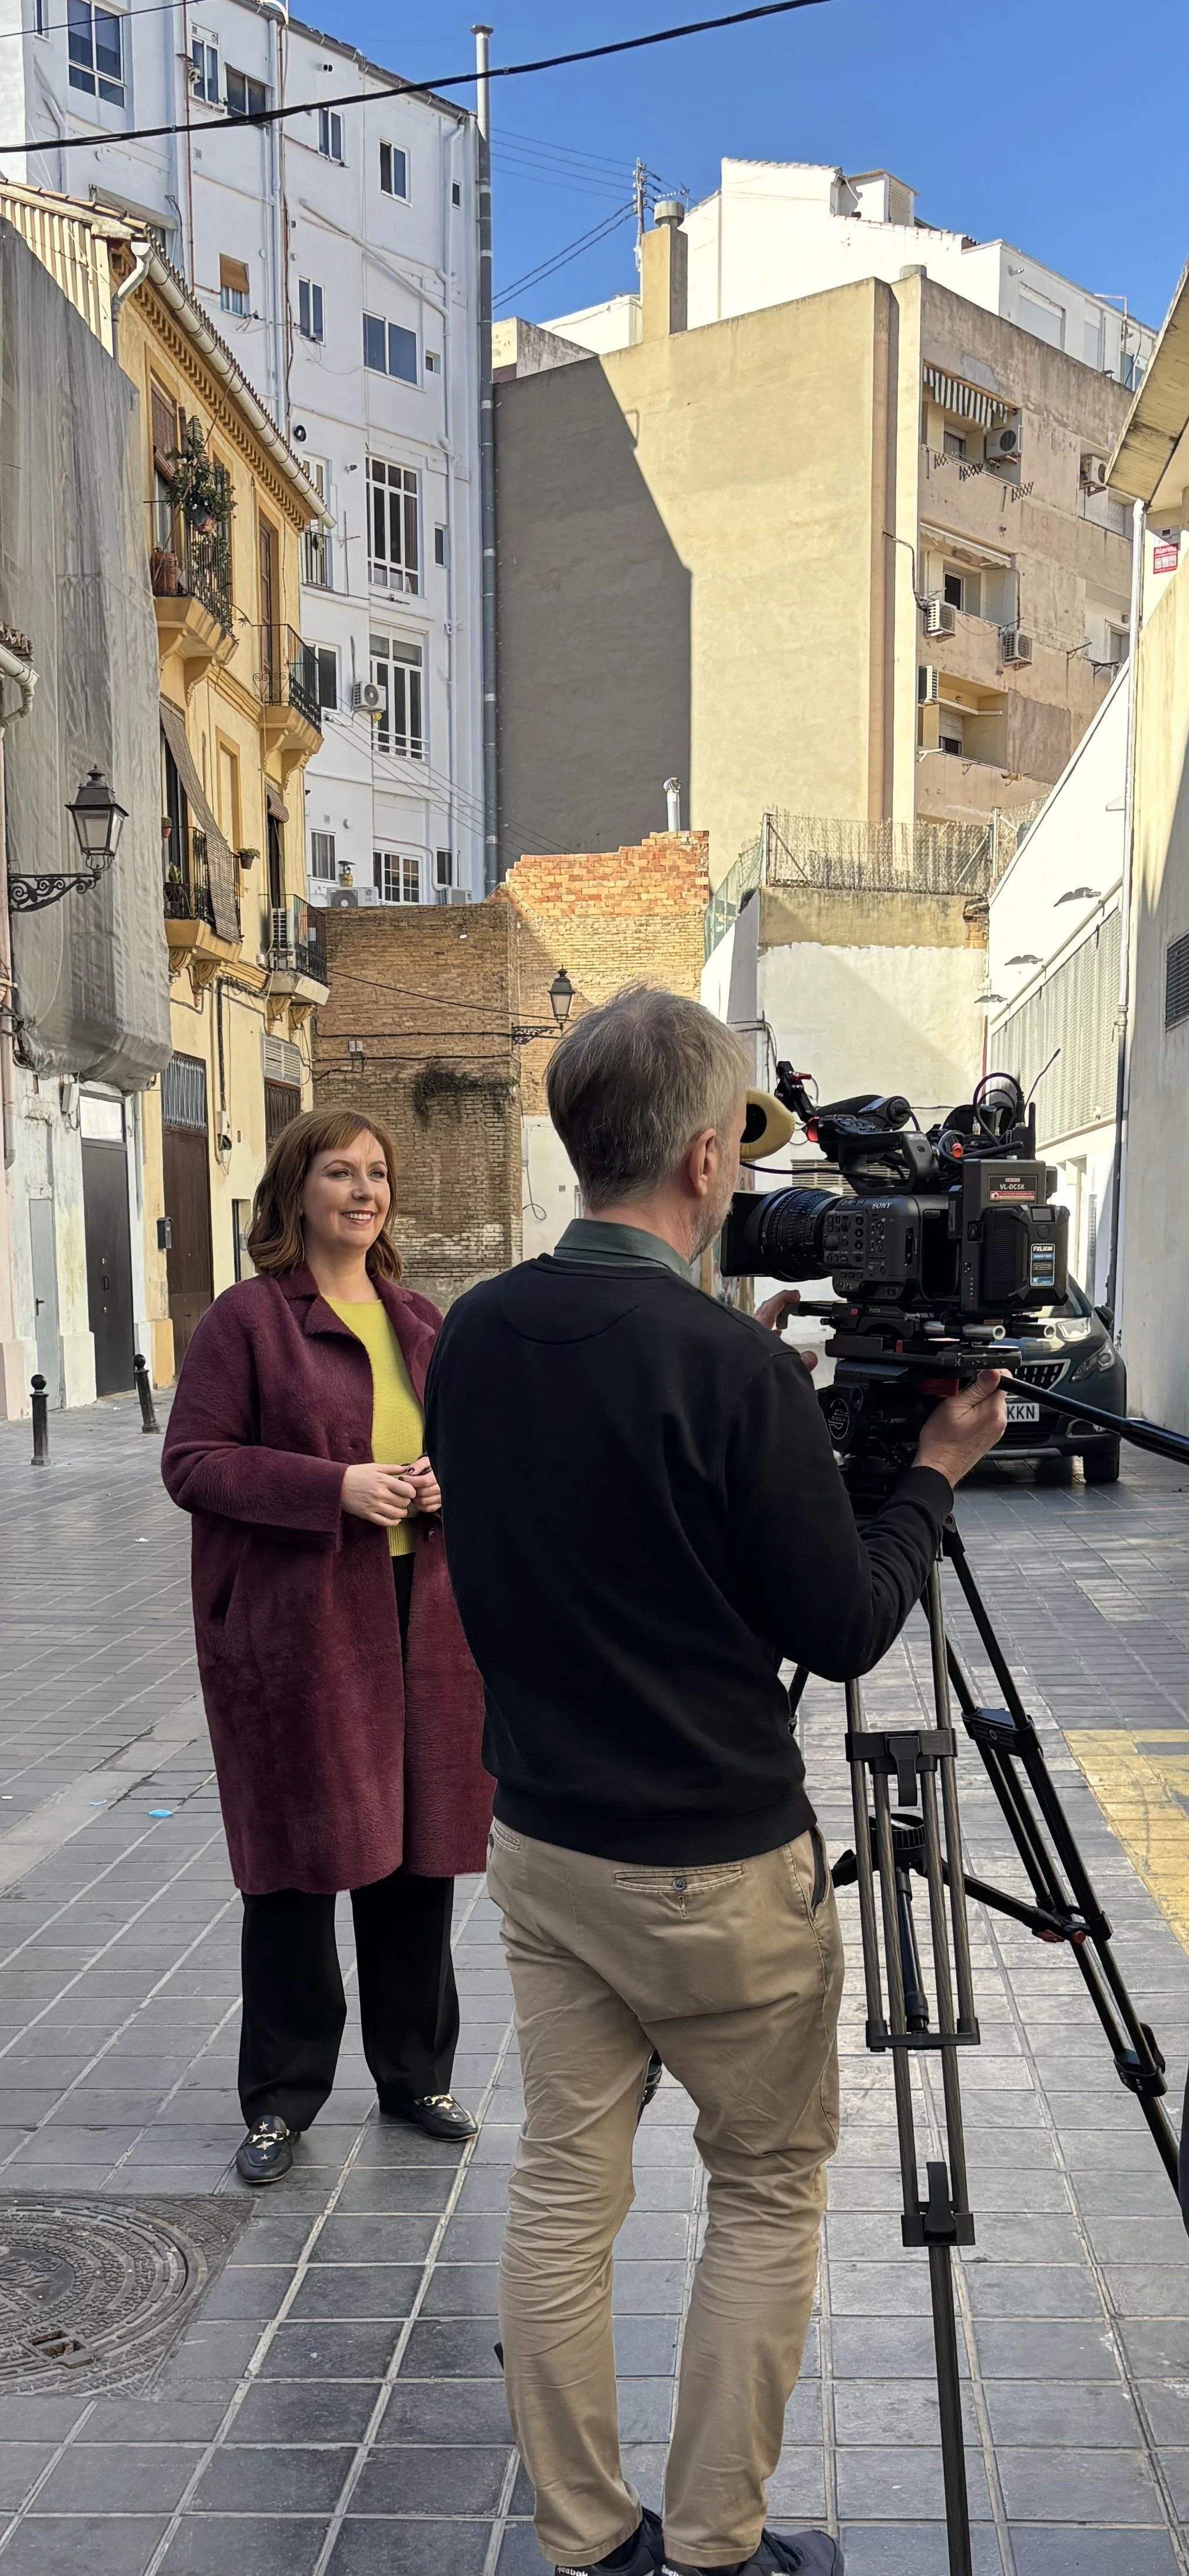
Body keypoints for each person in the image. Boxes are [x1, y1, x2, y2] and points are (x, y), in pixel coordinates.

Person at [424, 990, 1006, 2576]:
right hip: (712, 1868)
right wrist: (932, 1473)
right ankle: (715, 2548)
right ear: (702, 1157)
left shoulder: (474, 1327)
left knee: (565, 2186)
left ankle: (585, 2538)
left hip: (543, 1841)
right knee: (761, 2188)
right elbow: (843, 1623)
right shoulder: (727, 1364)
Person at [162, 1108, 491, 2185]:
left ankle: (415, 2076)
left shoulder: (418, 1319)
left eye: (377, 1174)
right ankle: (280, 2097)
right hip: (301, 1626)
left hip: (420, 1615)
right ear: (296, 1192)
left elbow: (461, 1451)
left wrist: (442, 1483)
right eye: (341, 1172)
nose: (365, 1191)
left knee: (416, 1854)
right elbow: (193, 1463)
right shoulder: (248, 1321)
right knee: (300, 1862)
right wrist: (332, 1486)